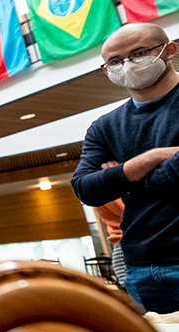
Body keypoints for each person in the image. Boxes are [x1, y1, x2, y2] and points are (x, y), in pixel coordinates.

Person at [72, 22, 179, 315]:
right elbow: (85, 188)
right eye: (115, 61)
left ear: (169, 50)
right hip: (142, 267)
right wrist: (149, 159)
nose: (127, 64)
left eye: (139, 52)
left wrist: (121, 177)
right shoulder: (104, 127)